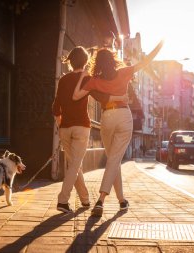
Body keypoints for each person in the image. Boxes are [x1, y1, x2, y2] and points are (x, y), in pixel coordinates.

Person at [72, 40, 164, 217]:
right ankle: (101, 200)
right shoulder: (123, 72)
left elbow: (76, 96)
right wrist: (158, 48)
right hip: (124, 116)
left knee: (113, 160)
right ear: (113, 60)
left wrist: (83, 78)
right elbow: (144, 63)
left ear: (97, 63)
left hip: (107, 118)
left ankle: (122, 201)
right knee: (114, 161)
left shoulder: (94, 81)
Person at [52, 46, 127, 213]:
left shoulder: (63, 80)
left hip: (64, 127)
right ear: (85, 62)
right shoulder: (87, 78)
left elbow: (56, 106)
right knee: (75, 165)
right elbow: (101, 96)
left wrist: (59, 123)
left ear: (70, 61)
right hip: (81, 127)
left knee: (74, 165)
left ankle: (85, 200)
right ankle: (63, 201)